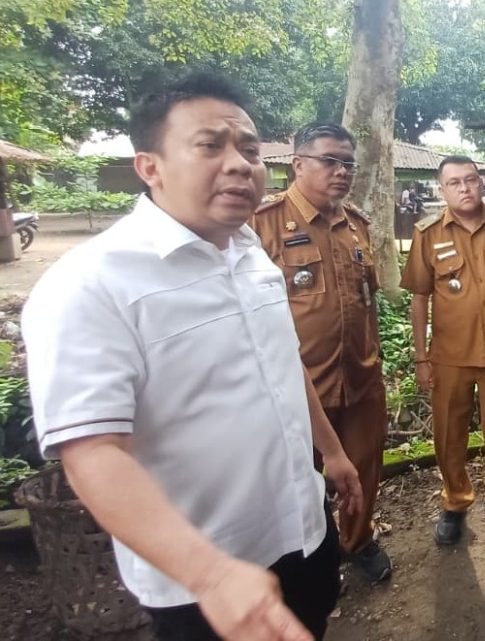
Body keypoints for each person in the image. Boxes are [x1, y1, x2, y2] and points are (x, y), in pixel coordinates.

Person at [21, 72, 363, 641]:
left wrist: (331, 452)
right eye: (210, 145)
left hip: (303, 534)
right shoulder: (89, 284)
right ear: (149, 166)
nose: (239, 164)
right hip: (205, 575)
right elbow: (92, 453)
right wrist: (210, 576)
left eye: (250, 150)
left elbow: (283, 366)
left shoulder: (252, 255)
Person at [249, 122, 392, 582]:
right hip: (297, 386)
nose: (342, 171)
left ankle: (358, 540)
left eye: (348, 163)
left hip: (360, 377)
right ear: (298, 164)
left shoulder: (358, 226)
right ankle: (314, 557)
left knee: (365, 468)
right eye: (329, 160)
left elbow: (366, 306)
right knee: (300, 479)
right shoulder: (261, 225)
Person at [400, 156, 485, 546]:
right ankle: (455, 501)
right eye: (455, 183)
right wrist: (421, 357)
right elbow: (419, 298)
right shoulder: (427, 233)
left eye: (471, 180)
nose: (465, 188)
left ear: (481, 183)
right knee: (449, 433)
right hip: (449, 356)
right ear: (442, 190)